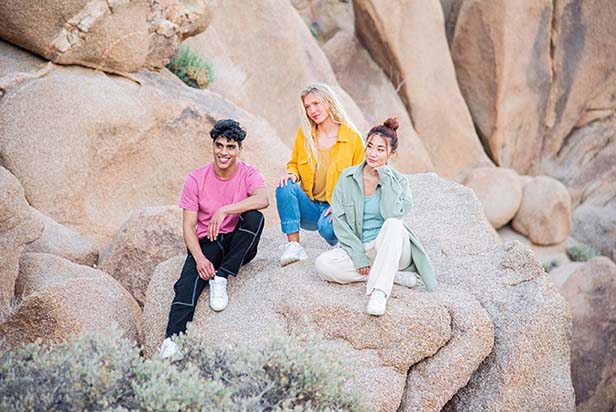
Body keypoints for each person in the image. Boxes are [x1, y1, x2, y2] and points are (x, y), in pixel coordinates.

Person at [160, 119, 269, 358]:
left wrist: (225, 210)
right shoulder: (195, 179)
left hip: (237, 243)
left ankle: (222, 277)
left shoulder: (249, 173)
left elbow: (262, 199)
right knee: (187, 284)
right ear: (213, 146)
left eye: (230, 147)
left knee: (254, 218)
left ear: (240, 149)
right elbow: (188, 226)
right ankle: (172, 341)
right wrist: (199, 259)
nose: (224, 152)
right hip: (208, 241)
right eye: (219, 145)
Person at [315, 118, 437, 316]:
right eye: (370, 146)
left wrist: (386, 179)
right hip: (363, 248)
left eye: (381, 149)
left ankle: (379, 292)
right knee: (323, 265)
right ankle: (390, 275)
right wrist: (358, 256)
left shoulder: (400, 182)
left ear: (391, 154)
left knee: (394, 224)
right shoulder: (347, 179)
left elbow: (392, 215)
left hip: (392, 248)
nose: (373, 153)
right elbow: (341, 223)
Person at [276, 83, 364, 266]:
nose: (312, 110)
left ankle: (341, 240)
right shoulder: (304, 135)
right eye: (308, 107)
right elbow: (294, 164)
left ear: (329, 102)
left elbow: (363, 178)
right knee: (284, 186)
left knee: (327, 229)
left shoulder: (352, 139)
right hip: (309, 206)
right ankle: (294, 246)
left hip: (334, 208)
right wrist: (292, 174)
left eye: (316, 104)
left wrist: (344, 203)